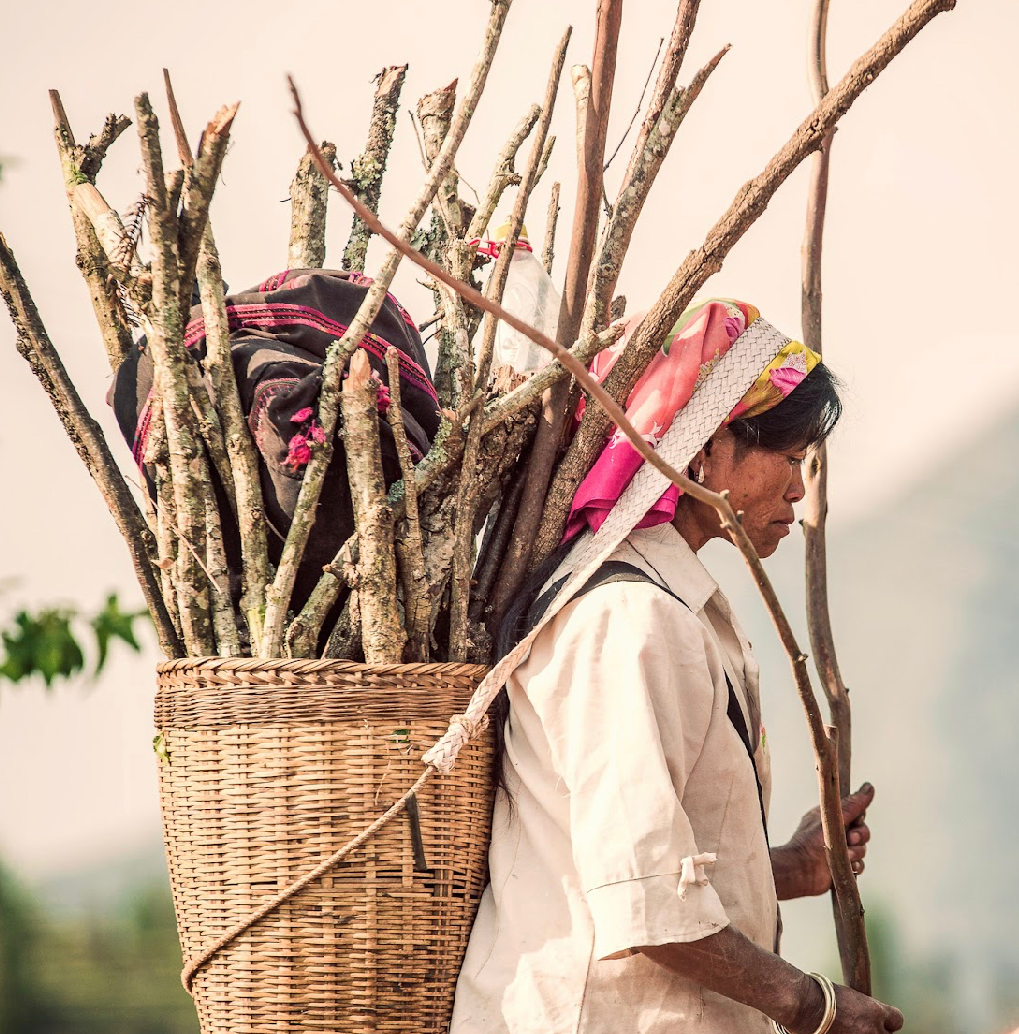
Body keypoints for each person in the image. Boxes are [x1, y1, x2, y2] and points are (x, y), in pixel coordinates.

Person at [449, 300, 904, 1034]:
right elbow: (645, 905)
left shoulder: (665, 605)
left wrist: (790, 868)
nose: (798, 489)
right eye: (790, 460)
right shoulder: (631, 619)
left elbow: (638, 861)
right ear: (702, 452)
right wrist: (814, 1006)